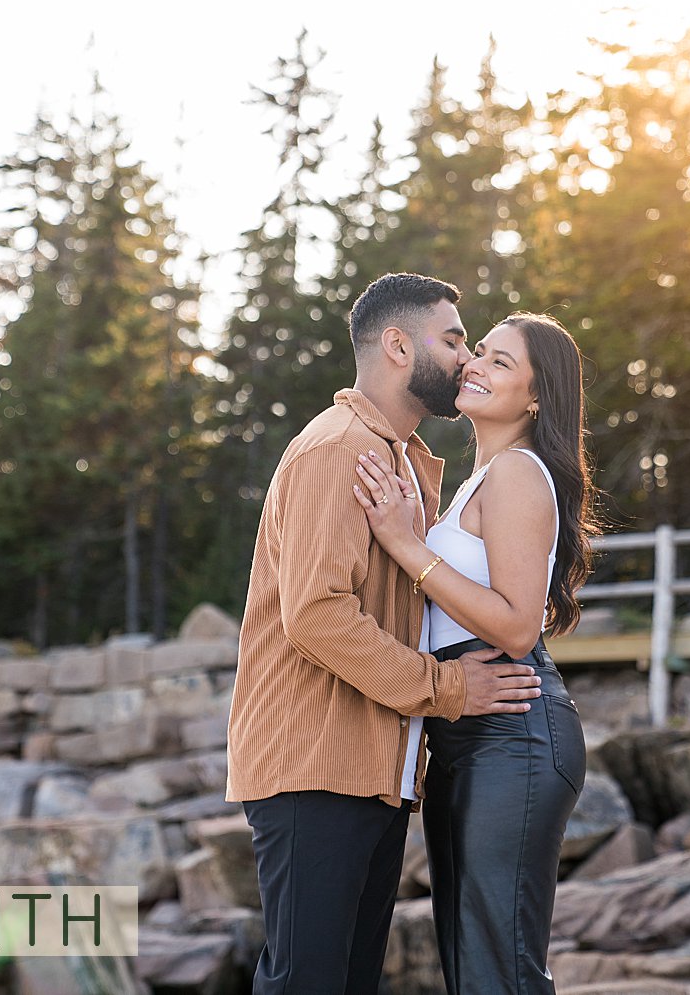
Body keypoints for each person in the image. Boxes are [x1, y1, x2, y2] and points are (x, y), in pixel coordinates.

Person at [225, 272, 547, 995]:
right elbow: (318, 615)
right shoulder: (336, 450)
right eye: (456, 339)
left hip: (376, 771)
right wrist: (450, 688)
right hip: (315, 763)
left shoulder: (402, 461)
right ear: (398, 345)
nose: (467, 358)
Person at [350, 312, 596, 995]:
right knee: (473, 966)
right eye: (478, 352)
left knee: (498, 968)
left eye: (501, 362)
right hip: (467, 734)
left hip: (512, 733)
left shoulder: (519, 471)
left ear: (537, 396)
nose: (477, 365)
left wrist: (408, 545)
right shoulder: (478, 479)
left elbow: (518, 628)